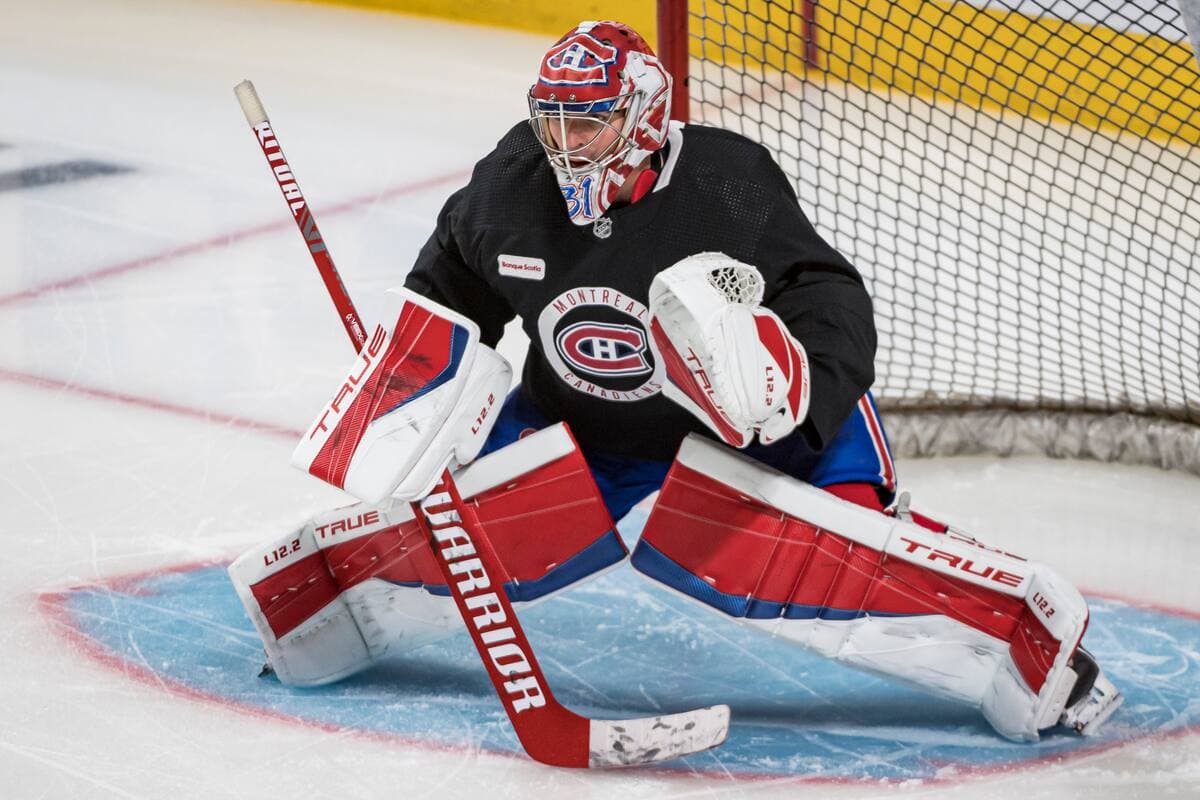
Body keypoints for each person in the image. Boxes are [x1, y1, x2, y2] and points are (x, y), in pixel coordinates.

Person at [231, 20, 1120, 745]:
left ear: (645, 119)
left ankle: (1038, 655)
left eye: (589, 124)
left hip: (738, 420)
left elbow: (828, 295)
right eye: (554, 122)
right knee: (471, 533)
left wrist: (795, 398)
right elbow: (448, 292)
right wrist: (409, 389)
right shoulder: (511, 185)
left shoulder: (726, 184)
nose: (565, 145)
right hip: (578, 426)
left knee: (848, 550)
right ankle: (317, 604)